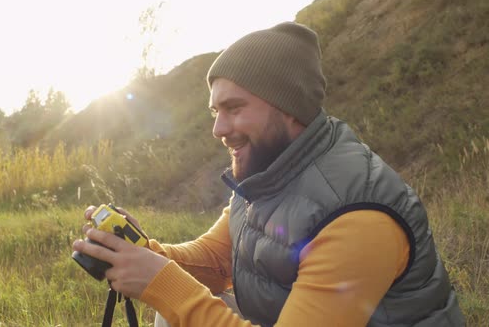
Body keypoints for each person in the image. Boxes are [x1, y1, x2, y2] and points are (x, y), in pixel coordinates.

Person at [72, 22, 465, 326]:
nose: (218, 128)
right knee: (173, 305)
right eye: (215, 111)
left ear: (288, 106)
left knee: (175, 299)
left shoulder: (358, 217)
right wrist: (143, 253)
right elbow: (216, 259)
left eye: (234, 108)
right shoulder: (269, 172)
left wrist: (162, 283)